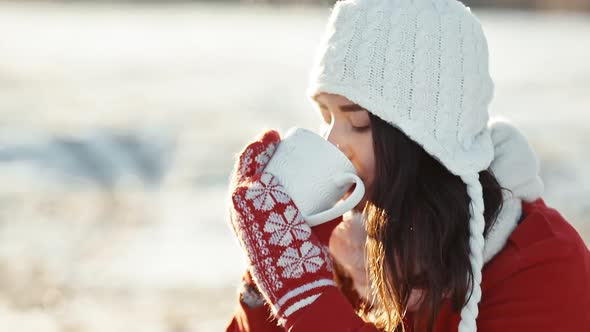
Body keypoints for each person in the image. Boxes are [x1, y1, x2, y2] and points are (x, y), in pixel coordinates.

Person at [225, 0, 590, 331]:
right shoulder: (348, 252)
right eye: (327, 116)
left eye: (359, 123)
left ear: (426, 140)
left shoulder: (543, 264)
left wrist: (307, 300)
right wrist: (266, 275)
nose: (334, 142)